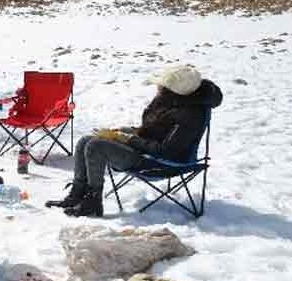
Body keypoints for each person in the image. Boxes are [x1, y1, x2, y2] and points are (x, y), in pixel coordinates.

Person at [46, 65, 223, 217]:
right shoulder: (171, 102)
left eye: (162, 85)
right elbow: (155, 131)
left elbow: (166, 150)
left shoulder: (190, 114)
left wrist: (128, 139)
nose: (158, 87)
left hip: (162, 163)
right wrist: (126, 131)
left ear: (173, 90)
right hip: (146, 152)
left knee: (96, 145)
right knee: (86, 140)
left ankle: (93, 202)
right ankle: (77, 194)